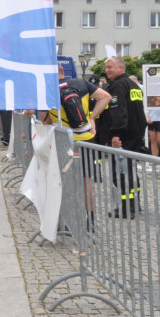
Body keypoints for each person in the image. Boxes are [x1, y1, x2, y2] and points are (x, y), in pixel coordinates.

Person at [47, 65, 111, 228]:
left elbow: (44, 120)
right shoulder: (82, 83)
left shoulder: (48, 90)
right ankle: (91, 220)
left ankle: (67, 219)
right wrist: (92, 118)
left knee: (65, 180)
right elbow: (105, 97)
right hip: (86, 139)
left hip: (64, 141)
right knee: (87, 181)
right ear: (63, 71)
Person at [96, 57, 147, 219]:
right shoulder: (133, 85)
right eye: (106, 67)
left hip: (123, 137)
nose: (107, 70)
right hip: (135, 135)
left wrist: (116, 134)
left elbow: (118, 111)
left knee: (122, 173)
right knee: (131, 171)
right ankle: (134, 204)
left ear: (121, 68)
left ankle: (126, 208)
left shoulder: (118, 86)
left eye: (110, 67)